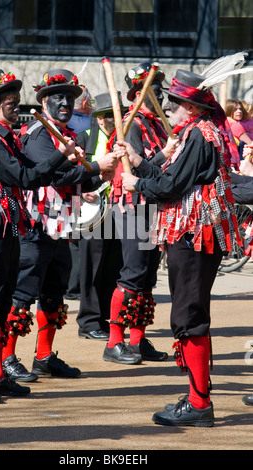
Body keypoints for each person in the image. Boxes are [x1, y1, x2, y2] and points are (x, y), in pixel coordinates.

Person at [116, 67, 241, 426]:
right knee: (189, 315)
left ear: (191, 108)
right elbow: (173, 178)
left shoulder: (200, 135)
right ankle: (197, 397)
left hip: (194, 236)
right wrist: (139, 163)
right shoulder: (196, 133)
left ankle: (200, 403)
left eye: (175, 102)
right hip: (191, 236)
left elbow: (170, 187)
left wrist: (134, 183)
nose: (169, 106)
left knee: (189, 316)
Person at [0, 69, 82, 403]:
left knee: (1, 306)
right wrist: (62, 154)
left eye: (16, 101)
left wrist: (84, 167)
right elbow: (25, 176)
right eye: (10, 102)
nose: (17, 106)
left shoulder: (9, 139)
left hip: (11, 231)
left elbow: (40, 170)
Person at [1, 68, 118, 382]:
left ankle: (43, 357)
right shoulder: (40, 134)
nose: (66, 102)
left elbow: (77, 181)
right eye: (58, 97)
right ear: (44, 100)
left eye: (70, 97)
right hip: (35, 227)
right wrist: (95, 166)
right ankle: (6, 358)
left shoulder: (68, 135)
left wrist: (103, 173)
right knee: (24, 293)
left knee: (54, 292)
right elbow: (53, 176)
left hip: (61, 226)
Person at [102, 62, 175, 365]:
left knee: (146, 277)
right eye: (153, 87)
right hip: (133, 208)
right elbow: (138, 166)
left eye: (159, 86)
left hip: (154, 206)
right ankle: (114, 342)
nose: (159, 92)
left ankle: (137, 339)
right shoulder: (131, 124)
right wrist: (166, 154)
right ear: (138, 93)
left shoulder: (159, 124)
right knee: (132, 273)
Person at [75, 92, 125, 340]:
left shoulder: (125, 139)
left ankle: (103, 318)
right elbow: (71, 174)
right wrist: (82, 193)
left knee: (113, 266)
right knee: (91, 266)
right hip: (93, 210)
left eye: (110, 115)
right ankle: (88, 321)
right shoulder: (84, 138)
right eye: (101, 115)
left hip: (120, 207)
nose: (105, 120)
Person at [65, 85, 94, 301]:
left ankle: (72, 285)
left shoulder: (68, 122)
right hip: (78, 188)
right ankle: (73, 286)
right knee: (75, 238)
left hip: (74, 189)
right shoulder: (85, 123)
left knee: (72, 237)